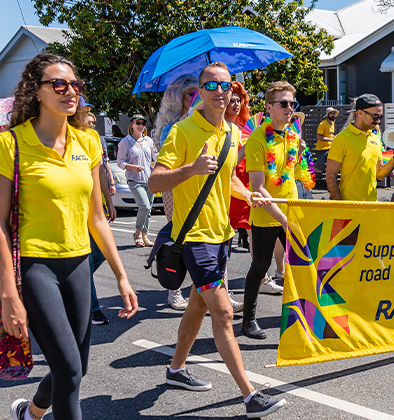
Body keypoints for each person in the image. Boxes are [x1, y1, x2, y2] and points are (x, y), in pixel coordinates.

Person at [0, 54, 138, 420]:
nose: (70, 91)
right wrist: (9, 296)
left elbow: (97, 217)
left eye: (75, 84)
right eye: (58, 84)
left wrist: (121, 276)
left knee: (76, 368)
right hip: (35, 267)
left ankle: (30, 413)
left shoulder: (87, 143)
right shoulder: (10, 144)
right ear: (36, 91)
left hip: (78, 264)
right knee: (69, 370)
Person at [148, 62, 287, 418]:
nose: (220, 92)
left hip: (221, 236)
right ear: (200, 91)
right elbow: (155, 182)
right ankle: (250, 397)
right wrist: (190, 170)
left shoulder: (232, 132)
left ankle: (175, 370)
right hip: (194, 239)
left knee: (197, 306)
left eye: (226, 85)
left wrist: (249, 195)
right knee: (223, 312)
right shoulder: (182, 131)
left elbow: (227, 180)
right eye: (211, 85)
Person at [240, 81, 300, 340]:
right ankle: (248, 320)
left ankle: (302, 315)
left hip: (291, 213)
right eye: (283, 103)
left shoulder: (293, 136)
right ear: (268, 107)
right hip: (266, 216)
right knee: (260, 266)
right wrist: (284, 219)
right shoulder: (257, 139)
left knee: (301, 266)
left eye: (292, 104)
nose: (289, 108)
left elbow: (292, 177)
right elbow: (258, 188)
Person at [226, 82, 281, 300]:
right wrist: (244, 150)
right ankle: (222, 287)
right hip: (230, 187)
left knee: (253, 232)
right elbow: (228, 164)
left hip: (249, 186)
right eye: (231, 100)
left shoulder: (247, 127)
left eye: (239, 100)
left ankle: (263, 279)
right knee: (225, 238)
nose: (236, 104)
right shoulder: (218, 129)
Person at [151, 73, 199, 311]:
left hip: (199, 186)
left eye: (198, 92)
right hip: (176, 188)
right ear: (178, 98)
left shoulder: (203, 123)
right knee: (177, 235)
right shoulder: (172, 126)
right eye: (191, 94)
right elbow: (167, 162)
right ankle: (174, 290)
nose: (196, 97)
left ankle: (211, 288)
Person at [326, 94, 394, 201]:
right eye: (375, 116)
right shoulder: (342, 138)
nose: (378, 121)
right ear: (360, 113)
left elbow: (380, 174)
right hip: (349, 206)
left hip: (372, 205)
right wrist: (340, 205)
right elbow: (330, 175)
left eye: (380, 117)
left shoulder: (375, 139)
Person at [83, 112, 118, 325]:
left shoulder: (96, 139)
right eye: (88, 119)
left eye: (94, 121)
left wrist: (109, 202)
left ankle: (76, 279)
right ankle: (93, 309)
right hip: (77, 209)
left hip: (96, 208)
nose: (92, 124)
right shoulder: (65, 138)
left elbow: (101, 173)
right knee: (86, 260)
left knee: (101, 252)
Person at [116, 115, 156, 247]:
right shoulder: (125, 142)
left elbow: (155, 158)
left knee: (148, 209)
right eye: (138, 123)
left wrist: (156, 167)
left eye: (143, 123)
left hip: (149, 180)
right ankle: (138, 233)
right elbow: (120, 162)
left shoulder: (148, 141)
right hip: (134, 180)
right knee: (144, 206)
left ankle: (145, 236)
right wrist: (132, 167)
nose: (141, 125)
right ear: (132, 125)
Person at [315, 107, 337, 184]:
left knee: (333, 165)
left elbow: (330, 134)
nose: (333, 115)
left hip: (330, 148)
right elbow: (319, 137)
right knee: (319, 170)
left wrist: (334, 137)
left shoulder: (332, 123)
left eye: (333, 113)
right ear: (327, 115)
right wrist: (330, 139)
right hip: (322, 149)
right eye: (331, 113)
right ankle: (309, 167)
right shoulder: (322, 124)